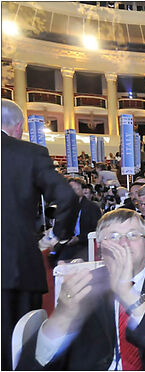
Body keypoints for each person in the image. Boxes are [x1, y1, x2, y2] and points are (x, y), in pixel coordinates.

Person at [19, 209, 145, 370]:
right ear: (100, 248)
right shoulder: (82, 287)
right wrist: (63, 315)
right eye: (113, 237)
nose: (123, 243)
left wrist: (127, 293)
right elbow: (29, 366)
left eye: (132, 235)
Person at [1, 99, 80, 370]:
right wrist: (57, 236)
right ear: (18, 126)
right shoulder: (29, 153)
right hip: (18, 265)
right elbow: (67, 197)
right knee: (20, 346)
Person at [56, 177, 103, 261]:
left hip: (86, 244)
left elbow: (97, 229)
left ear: (82, 191)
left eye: (75, 189)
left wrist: (79, 238)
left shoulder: (92, 207)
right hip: (68, 243)